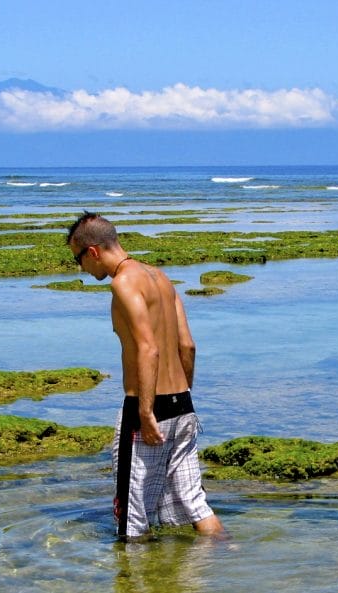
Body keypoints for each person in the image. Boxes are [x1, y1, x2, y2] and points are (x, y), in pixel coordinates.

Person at [66, 212, 225, 540]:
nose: (81, 269)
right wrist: (183, 398)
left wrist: (146, 412)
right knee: (195, 503)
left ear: (93, 252)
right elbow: (188, 346)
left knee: (132, 519)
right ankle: (227, 555)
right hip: (183, 407)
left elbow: (147, 348)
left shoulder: (123, 283)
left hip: (148, 409)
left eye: (78, 260)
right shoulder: (161, 277)